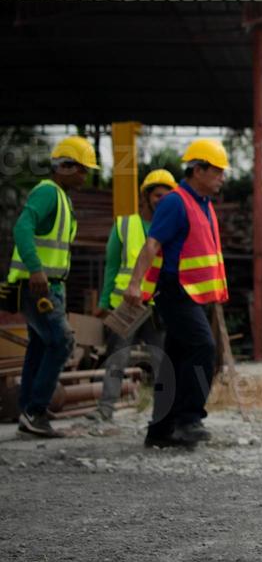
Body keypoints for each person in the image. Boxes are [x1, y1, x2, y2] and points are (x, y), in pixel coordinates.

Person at [122, 141, 229, 451]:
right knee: (202, 347)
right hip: (176, 290)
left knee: (175, 359)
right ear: (198, 170)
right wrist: (134, 285)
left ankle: (160, 430)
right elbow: (152, 245)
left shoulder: (203, 203)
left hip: (193, 294)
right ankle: (188, 420)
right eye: (217, 171)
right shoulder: (175, 202)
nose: (222, 177)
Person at [8, 135, 96, 438]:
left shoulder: (61, 197)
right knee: (61, 343)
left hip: (47, 287)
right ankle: (35, 411)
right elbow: (22, 227)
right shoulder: (48, 193)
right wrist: (36, 270)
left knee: (41, 344)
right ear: (66, 166)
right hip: (38, 287)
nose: (86, 176)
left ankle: (28, 413)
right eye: (83, 169)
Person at [91, 168, 176, 424]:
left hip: (157, 305)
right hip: (127, 304)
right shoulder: (124, 225)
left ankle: (163, 413)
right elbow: (112, 266)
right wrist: (105, 302)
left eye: (167, 196)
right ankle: (105, 409)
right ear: (147, 197)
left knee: (162, 360)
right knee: (118, 356)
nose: (162, 200)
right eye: (157, 195)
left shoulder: (174, 227)